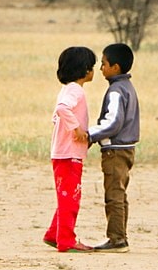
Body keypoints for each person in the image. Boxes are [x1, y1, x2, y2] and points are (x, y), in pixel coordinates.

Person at [43, 46, 96, 253]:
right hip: (69, 154)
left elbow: (56, 115)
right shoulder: (75, 90)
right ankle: (66, 240)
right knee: (71, 199)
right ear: (84, 70)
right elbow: (62, 109)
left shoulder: (66, 89)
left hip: (62, 152)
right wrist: (77, 129)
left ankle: (53, 234)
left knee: (66, 197)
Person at [87, 42, 139, 252]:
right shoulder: (127, 87)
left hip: (115, 150)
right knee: (119, 193)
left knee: (114, 195)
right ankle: (120, 236)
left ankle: (117, 239)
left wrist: (90, 135)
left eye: (104, 64)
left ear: (115, 67)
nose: (101, 68)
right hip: (126, 149)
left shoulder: (116, 91)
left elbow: (113, 122)